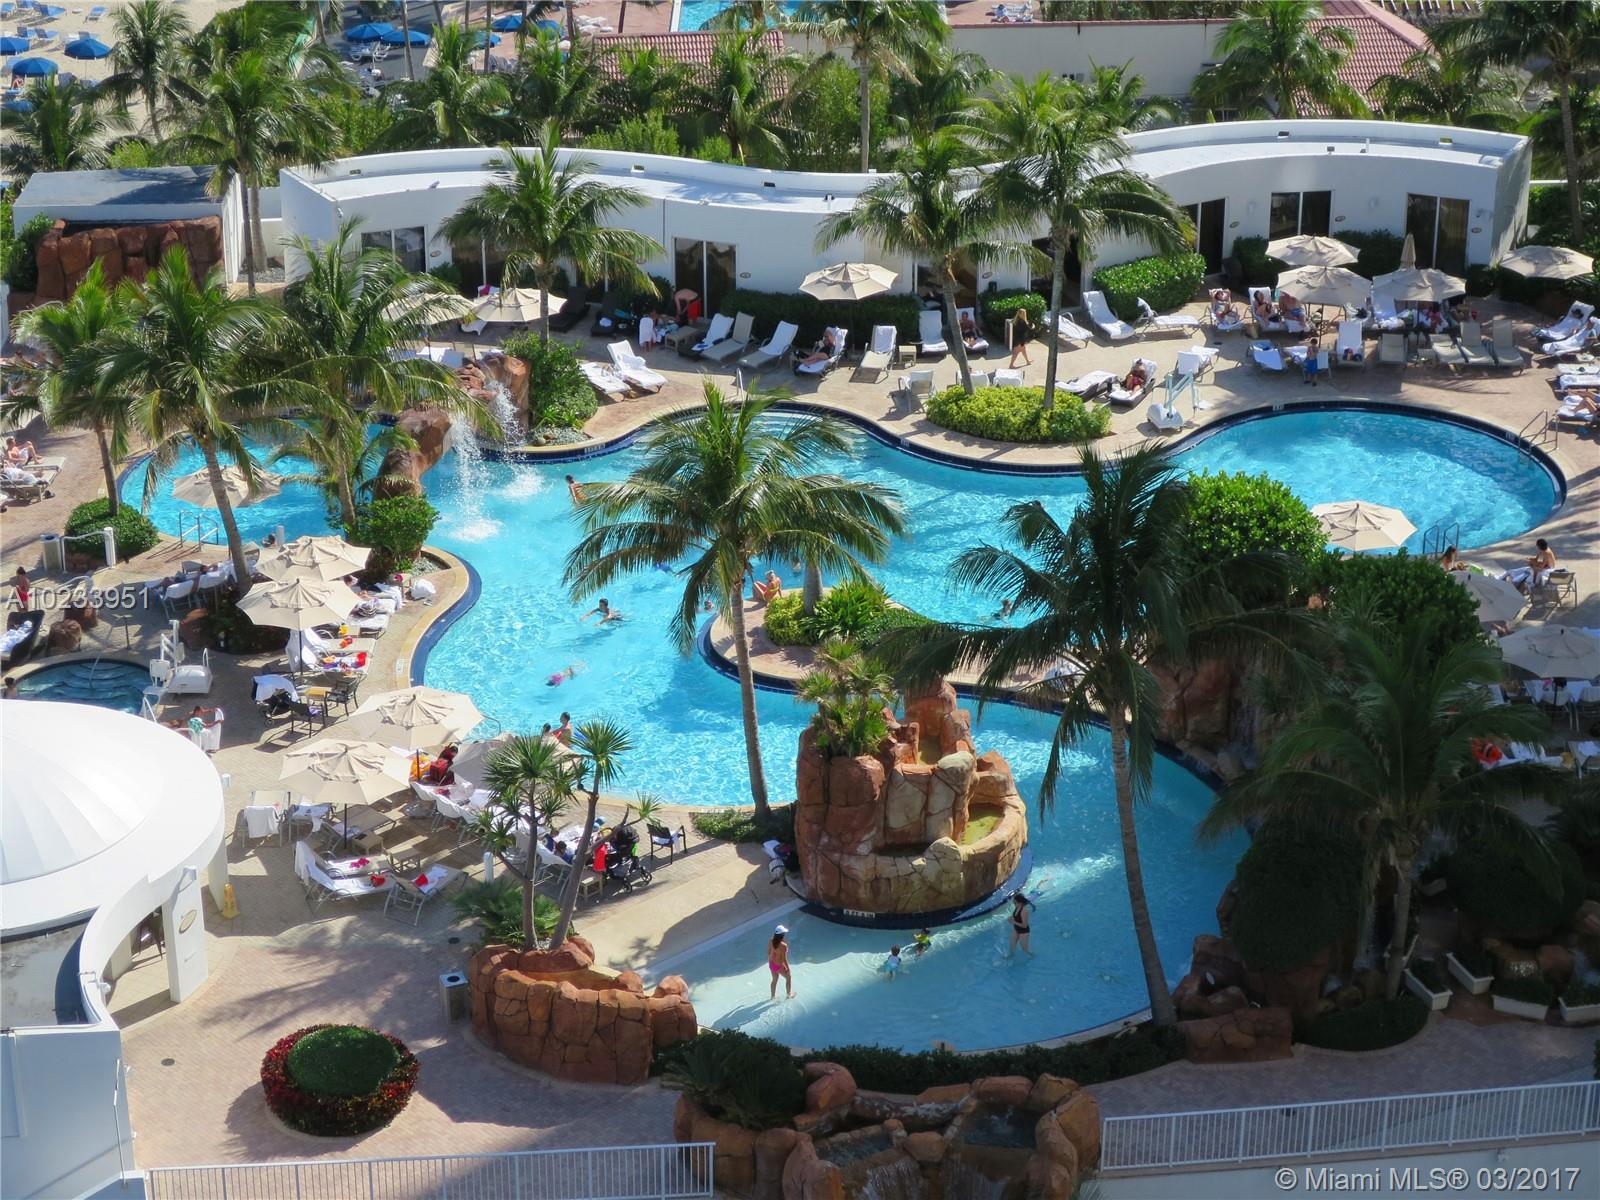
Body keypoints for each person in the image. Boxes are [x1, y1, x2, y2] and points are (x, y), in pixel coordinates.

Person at [1006, 891, 1035, 957]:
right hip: (1016, 929)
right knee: (1012, 945)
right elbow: (1016, 917)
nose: (1013, 903)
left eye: (1015, 902)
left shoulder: (1024, 911)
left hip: (1023, 931)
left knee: (1024, 949)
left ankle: (1033, 956)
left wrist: (1013, 922)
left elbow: (1024, 925)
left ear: (1020, 902)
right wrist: (1011, 918)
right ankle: (1010, 956)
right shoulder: (1017, 907)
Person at [768, 926, 793, 1000]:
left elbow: (768, 952)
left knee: (774, 980)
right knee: (788, 978)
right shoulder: (783, 946)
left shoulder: (771, 941)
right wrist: (787, 968)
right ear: (782, 935)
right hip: (778, 966)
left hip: (771, 964)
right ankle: (789, 995)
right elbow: (784, 959)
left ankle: (772, 997)